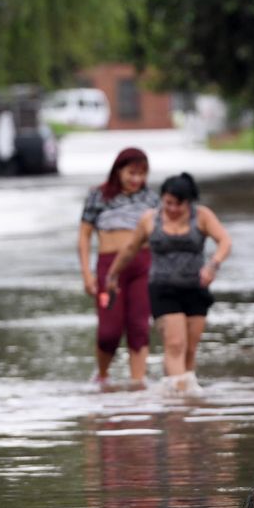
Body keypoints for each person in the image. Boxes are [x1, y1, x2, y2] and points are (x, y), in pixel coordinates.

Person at [107, 172, 231, 396]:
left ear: (189, 202)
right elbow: (130, 249)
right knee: (175, 345)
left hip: (195, 288)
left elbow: (224, 241)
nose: (172, 208)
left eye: (178, 204)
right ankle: (181, 403)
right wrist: (112, 275)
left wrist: (213, 265)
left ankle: (176, 393)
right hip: (163, 289)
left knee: (189, 350)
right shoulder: (149, 219)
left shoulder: (202, 216)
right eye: (168, 203)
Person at [79, 147, 159, 386]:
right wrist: (86, 273)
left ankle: (138, 383)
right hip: (108, 268)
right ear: (118, 170)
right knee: (109, 331)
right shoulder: (98, 196)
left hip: (142, 266)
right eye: (131, 173)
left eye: (142, 174)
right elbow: (84, 236)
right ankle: (102, 375)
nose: (137, 179)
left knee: (139, 327)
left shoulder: (151, 199)